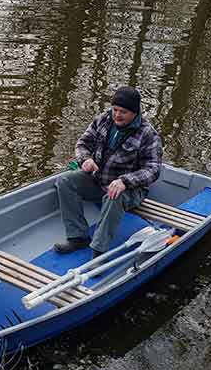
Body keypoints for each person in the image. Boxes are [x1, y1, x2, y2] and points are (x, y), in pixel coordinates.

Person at [53, 87, 163, 258]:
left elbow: (153, 169)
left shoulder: (148, 134)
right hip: (99, 180)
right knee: (65, 181)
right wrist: (86, 159)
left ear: (135, 112)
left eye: (123, 112)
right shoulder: (104, 119)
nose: (117, 115)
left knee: (114, 195)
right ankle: (78, 237)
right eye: (115, 110)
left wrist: (124, 181)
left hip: (129, 190)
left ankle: (98, 250)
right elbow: (83, 143)